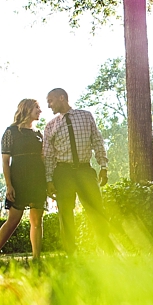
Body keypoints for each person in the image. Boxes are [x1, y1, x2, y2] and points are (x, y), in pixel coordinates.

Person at [42, 87, 113, 253]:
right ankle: (71, 252)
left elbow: (97, 141)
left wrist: (103, 166)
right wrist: (49, 180)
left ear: (62, 98)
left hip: (85, 170)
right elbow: (48, 155)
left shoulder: (86, 116)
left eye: (50, 101)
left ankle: (106, 249)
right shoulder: (50, 126)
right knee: (65, 213)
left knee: (96, 209)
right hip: (63, 172)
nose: (49, 106)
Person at [0, 98, 47, 259]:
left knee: (37, 219)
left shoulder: (38, 133)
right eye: (37, 108)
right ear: (27, 109)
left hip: (37, 178)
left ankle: (36, 257)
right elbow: (5, 161)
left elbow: (43, 157)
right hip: (19, 178)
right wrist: (9, 185)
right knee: (13, 219)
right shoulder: (11, 132)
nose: (40, 111)